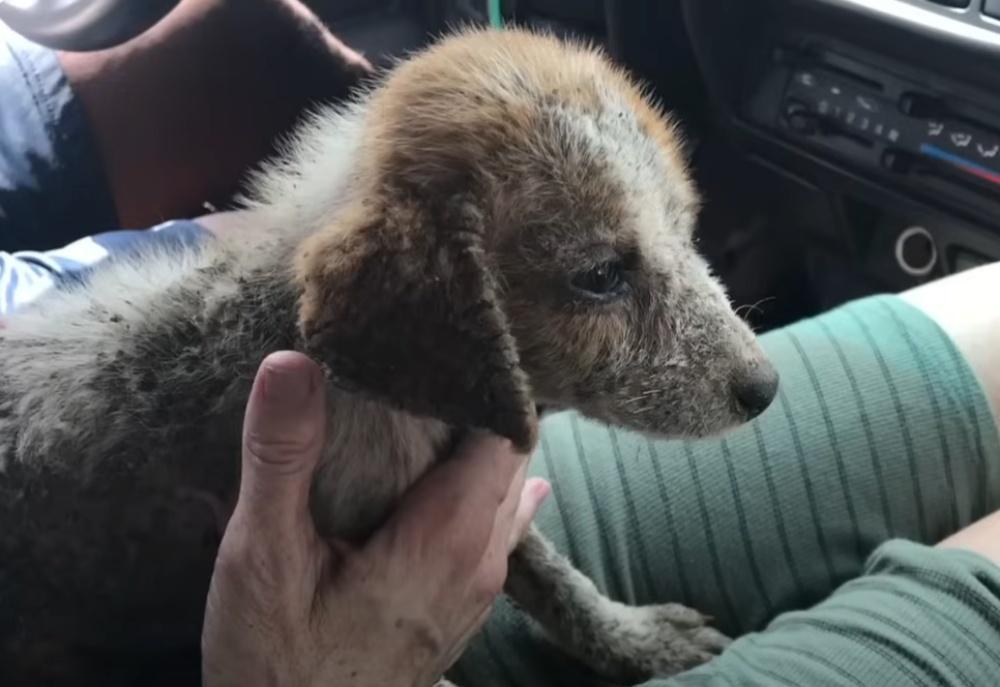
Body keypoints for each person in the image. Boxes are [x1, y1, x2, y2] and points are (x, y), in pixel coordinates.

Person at [1, 2, 999, 684]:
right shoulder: (369, 387)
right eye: (606, 280)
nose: (741, 358)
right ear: (439, 309)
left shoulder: (411, 358)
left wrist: (603, 629)